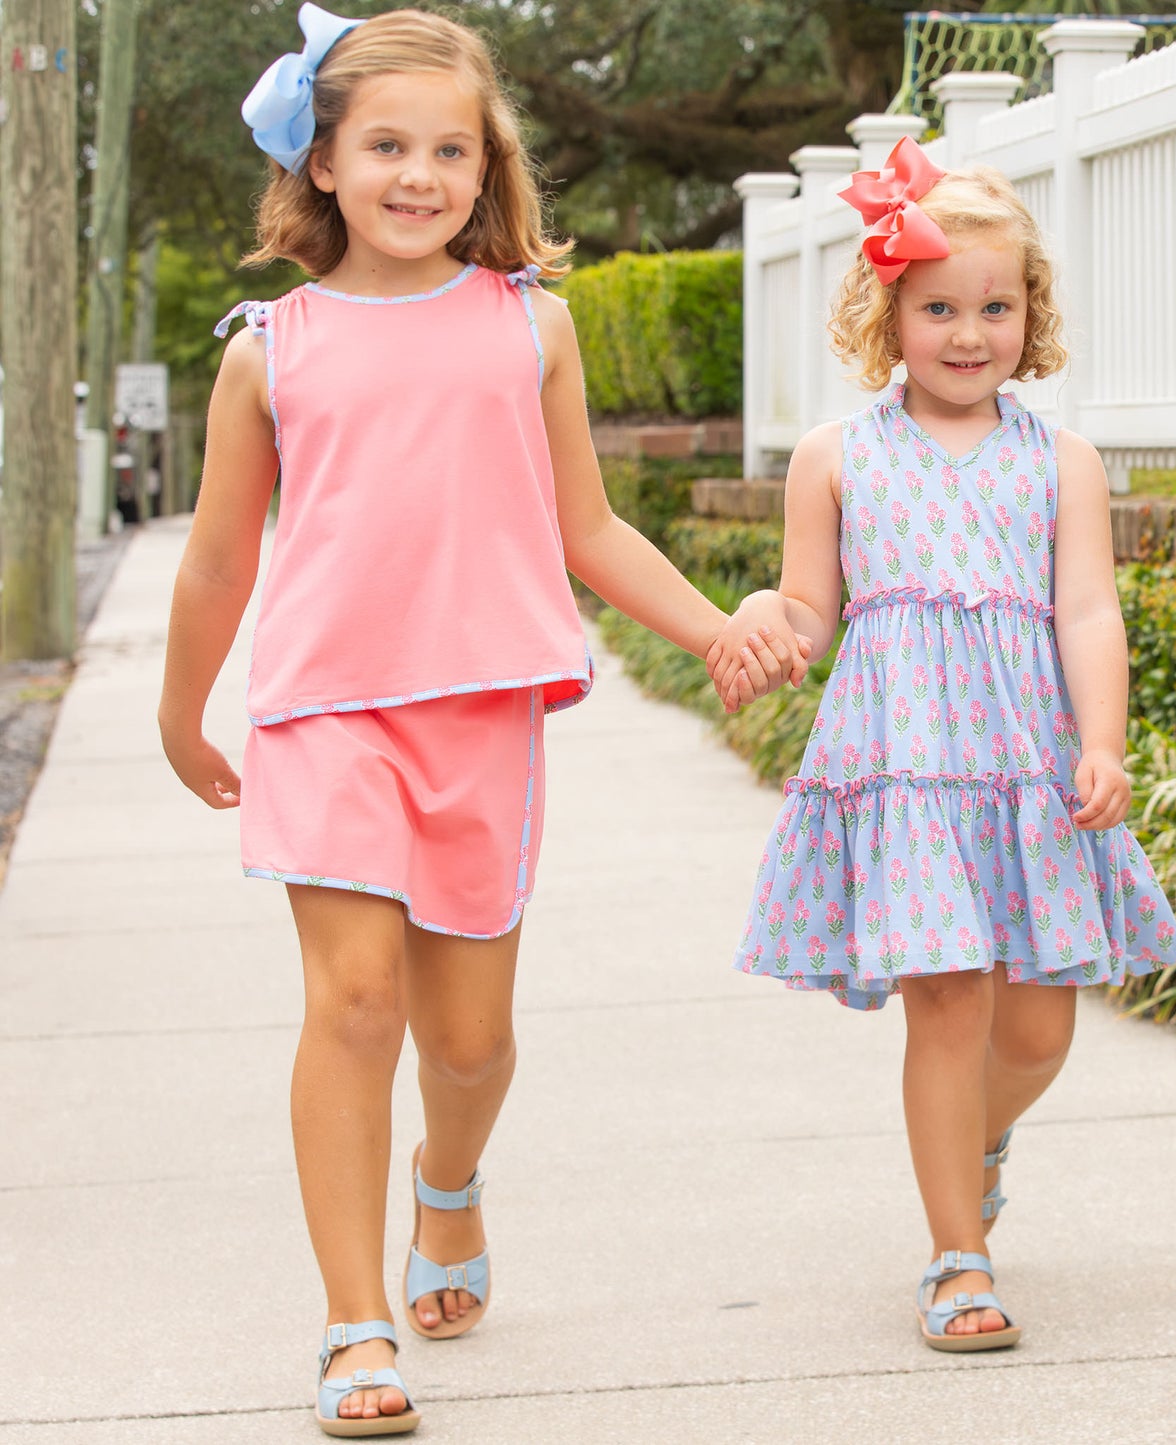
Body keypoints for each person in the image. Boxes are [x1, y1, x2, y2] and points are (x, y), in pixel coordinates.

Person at [157, 6, 805, 1435]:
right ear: (322, 160)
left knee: (465, 1041)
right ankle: (353, 1322)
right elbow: (216, 561)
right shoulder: (269, 350)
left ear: (486, 166)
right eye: (386, 146)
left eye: (450, 150)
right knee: (353, 1004)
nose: (419, 175)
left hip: (480, 714)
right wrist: (179, 709)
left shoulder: (530, 326)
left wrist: (714, 626)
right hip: (323, 712)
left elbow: (589, 529)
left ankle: (446, 1183)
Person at [708, 137, 1176, 1353]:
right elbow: (809, 610)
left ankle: (972, 1146)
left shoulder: (1060, 462)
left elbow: (1087, 610)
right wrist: (765, 619)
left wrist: (1102, 740)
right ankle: (955, 1254)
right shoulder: (835, 456)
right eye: (937, 309)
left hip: (1025, 768)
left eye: (993, 307)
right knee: (945, 1004)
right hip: (907, 770)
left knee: (1033, 1031)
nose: (967, 333)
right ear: (888, 314)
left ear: (1030, 315)